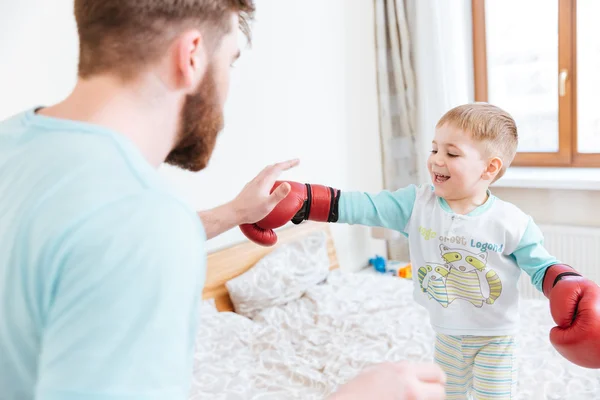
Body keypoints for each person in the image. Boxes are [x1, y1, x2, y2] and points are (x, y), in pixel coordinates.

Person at [0, 1, 447, 399]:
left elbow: (89, 245)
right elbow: (127, 235)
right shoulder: (144, 220)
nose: (229, 85)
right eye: (230, 59)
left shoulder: (14, 143)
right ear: (191, 55)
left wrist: (234, 213)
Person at [242, 102, 600, 398]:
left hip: (495, 339)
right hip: (445, 333)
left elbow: (540, 267)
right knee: (450, 394)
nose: (436, 160)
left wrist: (565, 282)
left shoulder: (511, 221)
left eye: (452, 153)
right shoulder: (417, 204)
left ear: (490, 168)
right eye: (434, 148)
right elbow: (363, 205)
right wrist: (308, 200)